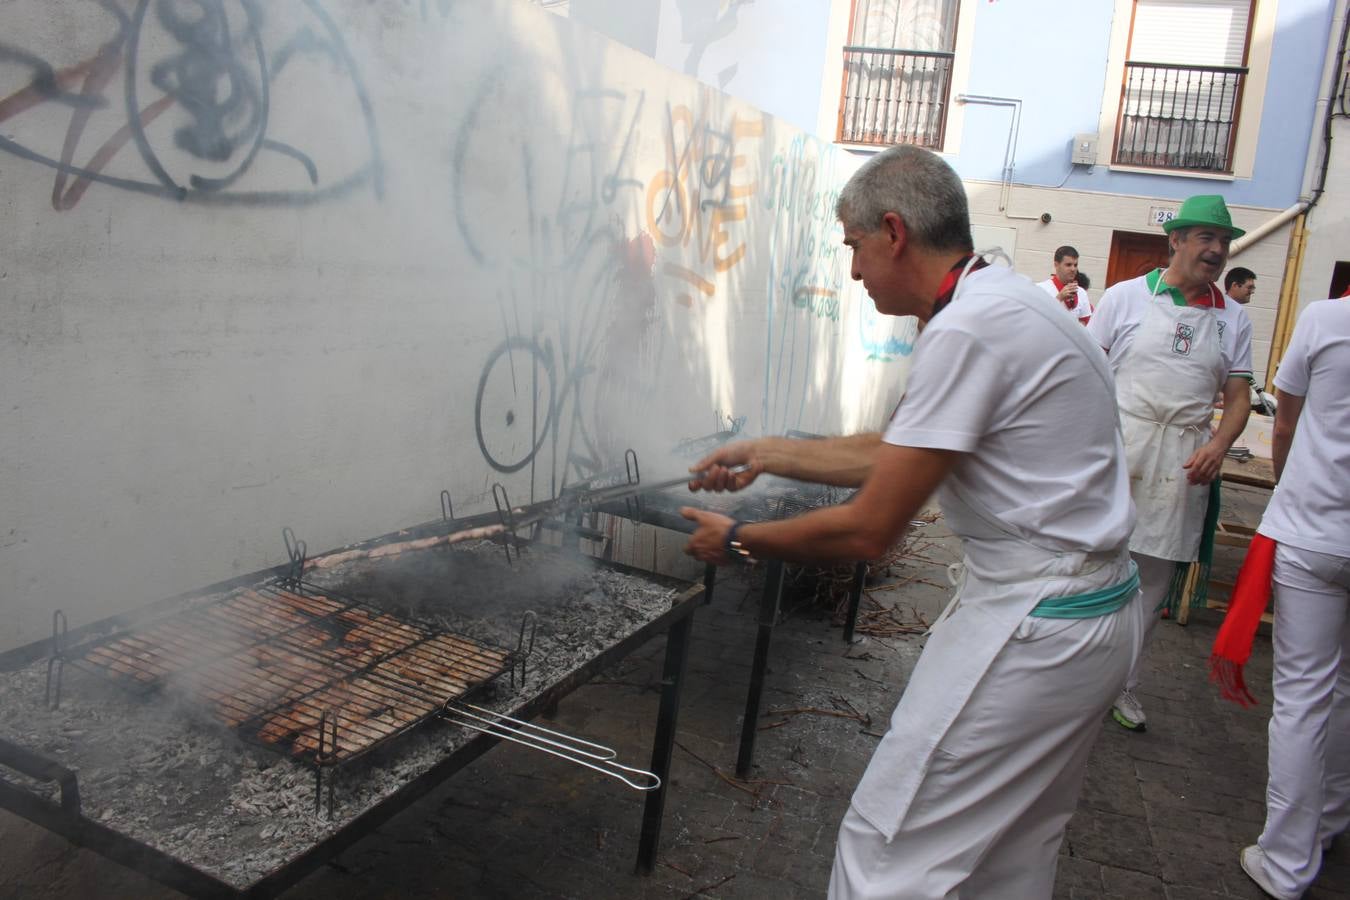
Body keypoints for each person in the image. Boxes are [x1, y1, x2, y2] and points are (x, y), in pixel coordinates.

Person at [680, 145, 1143, 899]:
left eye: (854, 248)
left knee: (887, 851)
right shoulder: (1003, 301)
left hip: (1037, 626)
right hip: (1090, 620)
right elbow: (898, 450)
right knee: (1009, 857)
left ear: (893, 231)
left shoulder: (969, 330)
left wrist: (735, 540)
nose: (854, 272)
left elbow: (869, 530)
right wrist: (768, 452)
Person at [1086, 194, 1254, 733]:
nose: (1216, 250)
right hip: (1118, 444)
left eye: (1223, 242)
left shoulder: (1234, 318)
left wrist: (1219, 445)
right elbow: (1085, 373)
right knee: (1087, 564)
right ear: (1176, 240)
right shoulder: (1126, 298)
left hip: (1184, 458)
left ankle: (1123, 684)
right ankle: (1070, 675)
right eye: (1205, 238)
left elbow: (1239, 398)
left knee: (1150, 584)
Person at [1213, 295, 1350, 899]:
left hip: (1315, 528)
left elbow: (1287, 424)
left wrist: (1291, 488)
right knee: (1344, 689)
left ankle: (1287, 859)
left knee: (1303, 695)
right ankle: (1328, 820)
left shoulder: (1326, 320)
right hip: (1320, 530)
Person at [1038, 245, 1093, 324]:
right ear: (1056, 265)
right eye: (1068, 265)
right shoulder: (1041, 288)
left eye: (1075, 265)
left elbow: (1085, 325)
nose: (1073, 269)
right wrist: (1059, 298)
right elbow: (1036, 318)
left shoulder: (1081, 292)